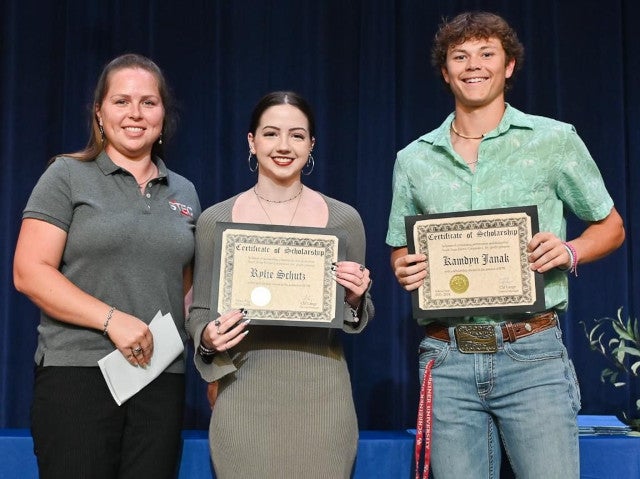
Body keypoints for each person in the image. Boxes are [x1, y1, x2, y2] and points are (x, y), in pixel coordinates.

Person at [386, 11, 625, 479]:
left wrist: (570, 251)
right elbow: (401, 246)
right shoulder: (413, 159)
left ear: (509, 65)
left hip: (531, 354)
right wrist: (404, 267)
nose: (473, 65)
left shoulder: (553, 140)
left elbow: (611, 226)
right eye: (460, 56)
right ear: (445, 70)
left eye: (486, 53)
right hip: (447, 358)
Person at [13, 53, 200, 479]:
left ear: (163, 114)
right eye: (121, 101)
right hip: (78, 374)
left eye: (148, 102)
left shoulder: (185, 191)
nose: (135, 113)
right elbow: (29, 271)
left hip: (160, 376)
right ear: (99, 112)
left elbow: (185, 290)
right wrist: (111, 320)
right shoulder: (66, 175)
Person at [187, 91, 374, 478]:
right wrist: (207, 336)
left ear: (312, 145)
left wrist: (356, 296)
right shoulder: (215, 221)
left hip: (322, 399)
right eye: (271, 134)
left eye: (297, 135)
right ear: (252, 142)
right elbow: (200, 312)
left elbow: (356, 315)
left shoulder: (344, 220)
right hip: (243, 394)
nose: (284, 146)